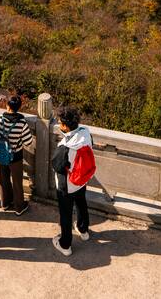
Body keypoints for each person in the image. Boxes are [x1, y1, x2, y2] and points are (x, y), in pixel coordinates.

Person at [50, 105, 95, 257]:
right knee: (81, 203)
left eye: (60, 122)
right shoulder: (86, 133)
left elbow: (57, 166)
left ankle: (65, 244)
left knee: (66, 213)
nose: (59, 125)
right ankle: (83, 230)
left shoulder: (65, 146)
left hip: (67, 185)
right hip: (82, 179)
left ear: (65, 126)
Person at [0, 94, 34, 215]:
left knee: (3, 179)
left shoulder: (0, 118)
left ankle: (5, 203)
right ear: (19, 107)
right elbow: (28, 141)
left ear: (7, 105)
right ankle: (19, 207)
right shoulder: (21, 122)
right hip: (15, 156)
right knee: (17, 182)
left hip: (2, 154)